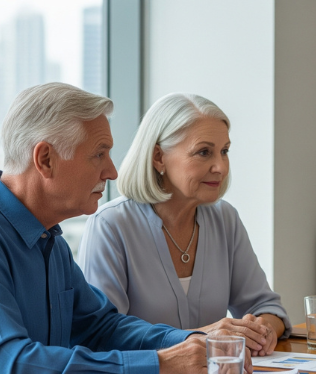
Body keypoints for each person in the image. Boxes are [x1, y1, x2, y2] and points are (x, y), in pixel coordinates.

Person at [0, 83, 251, 374]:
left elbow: (101, 328)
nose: (112, 171)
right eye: (99, 154)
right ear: (45, 159)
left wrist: (193, 341)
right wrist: (160, 365)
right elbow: (9, 366)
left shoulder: (50, 240)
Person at [77, 93, 290, 357]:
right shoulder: (111, 225)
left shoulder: (225, 219)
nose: (220, 167)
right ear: (158, 157)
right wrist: (202, 338)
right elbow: (103, 335)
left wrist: (262, 330)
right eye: (204, 152)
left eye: (224, 151)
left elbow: (265, 305)